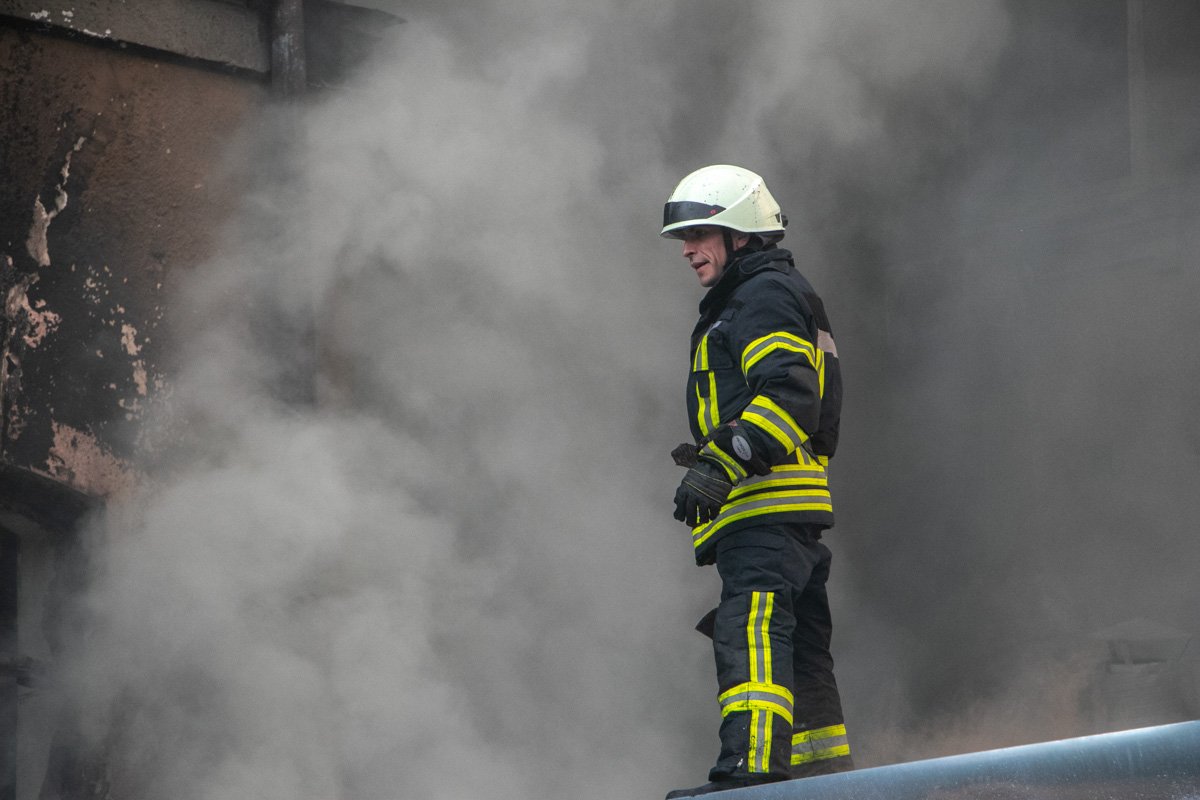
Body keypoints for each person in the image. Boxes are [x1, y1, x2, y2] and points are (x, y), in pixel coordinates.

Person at [662, 165, 853, 798]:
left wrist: (722, 461)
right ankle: (824, 779)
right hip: (787, 513)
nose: (687, 249)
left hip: (766, 512)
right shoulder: (771, 293)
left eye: (698, 234)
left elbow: (790, 396)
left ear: (740, 232)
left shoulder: (761, 295)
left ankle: (750, 777)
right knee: (800, 652)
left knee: (753, 633)